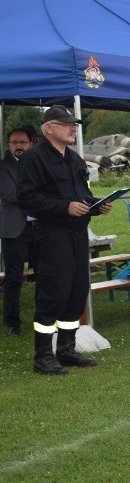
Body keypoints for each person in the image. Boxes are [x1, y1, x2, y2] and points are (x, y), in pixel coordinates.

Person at [17, 105, 112, 374]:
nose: (73, 128)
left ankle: (67, 350)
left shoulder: (74, 159)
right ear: (49, 128)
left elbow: (81, 194)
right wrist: (64, 207)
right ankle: (42, 357)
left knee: (76, 291)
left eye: (74, 124)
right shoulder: (34, 158)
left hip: (77, 234)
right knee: (52, 293)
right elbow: (26, 198)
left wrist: (97, 204)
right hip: (52, 235)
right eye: (67, 124)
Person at [1, 125, 38, 337]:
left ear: (31, 143)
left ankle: (43, 318)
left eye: (22, 142)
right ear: (9, 145)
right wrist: (41, 199)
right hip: (14, 229)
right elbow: (13, 195)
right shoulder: (3, 167)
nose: (18, 146)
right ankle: (12, 323)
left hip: (39, 227)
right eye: (14, 142)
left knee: (43, 274)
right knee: (14, 277)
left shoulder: (37, 164)